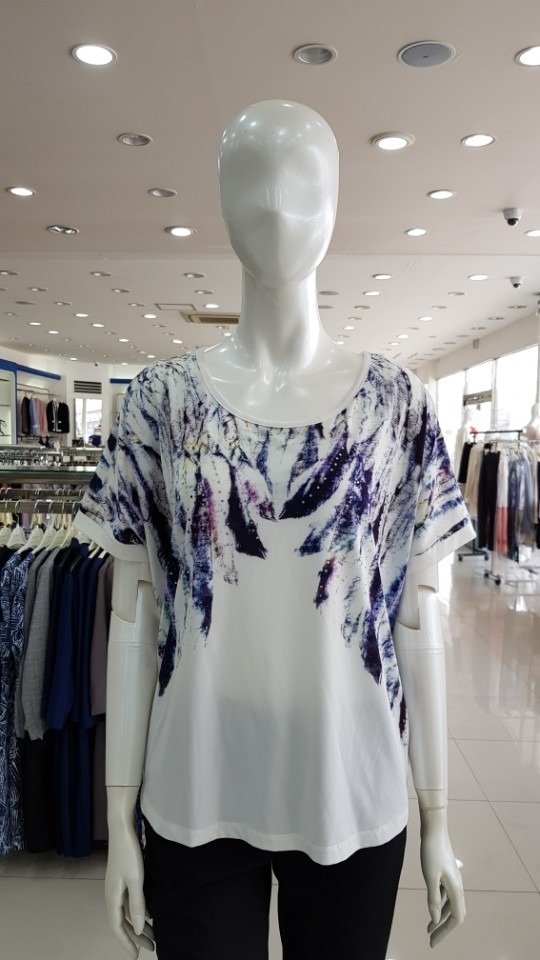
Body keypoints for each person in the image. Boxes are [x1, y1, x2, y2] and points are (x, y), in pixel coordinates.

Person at [74, 100, 474, 960]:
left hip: (350, 781)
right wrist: (118, 812)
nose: (280, 209)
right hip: (197, 780)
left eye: (304, 185)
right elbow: (133, 614)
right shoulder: (158, 403)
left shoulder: (397, 404)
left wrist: (439, 817)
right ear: (220, 201)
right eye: (254, 183)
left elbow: (418, 619)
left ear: (336, 203)